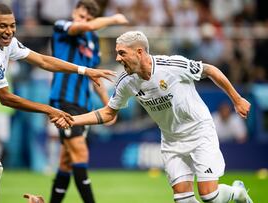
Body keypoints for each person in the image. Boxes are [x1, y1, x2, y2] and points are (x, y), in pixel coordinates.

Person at [0, 3, 115, 203]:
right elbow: (6, 98)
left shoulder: (8, 43)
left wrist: (84, 70)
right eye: (2, 26)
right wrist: (49, 110)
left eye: (12, 25)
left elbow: (43, 61)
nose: (9, 31)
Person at [57, 31, 253, 203]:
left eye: (122, 53)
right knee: (182, 199)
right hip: (171, 140)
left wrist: (237, 99)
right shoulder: (126, 81)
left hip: (199, 132)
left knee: (209, 196)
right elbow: (109, 112)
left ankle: (238, 192)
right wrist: (73, 120)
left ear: (140, 52)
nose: (117, 58)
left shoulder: (172, 65)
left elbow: (210, 70)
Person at [48, 1, 128, 202]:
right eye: (81, 16)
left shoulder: (92, 41)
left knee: (67, 161)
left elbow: (96, 78)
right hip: (64, 101)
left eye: (88, 19)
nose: (84, 21)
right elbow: (86, 27)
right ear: (75, 12)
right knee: (80, 153)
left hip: (84, 105)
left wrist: (109, 106)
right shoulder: (62, 27)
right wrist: (113, 19)